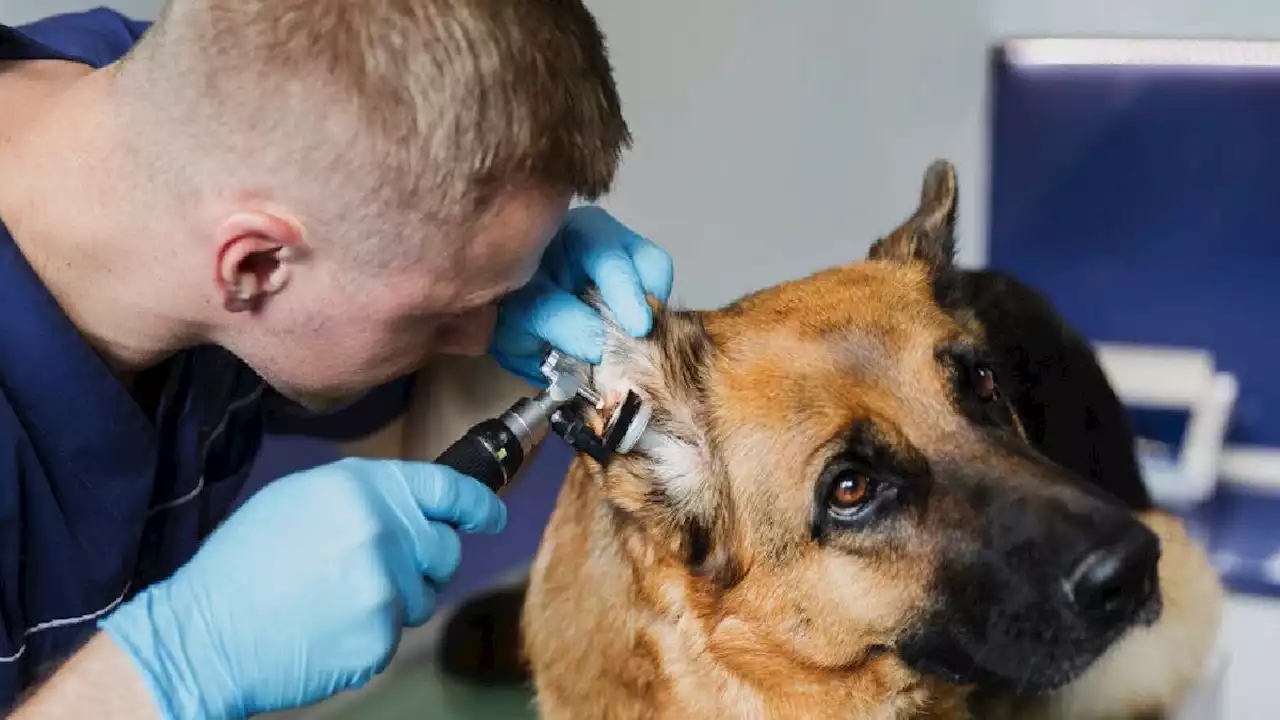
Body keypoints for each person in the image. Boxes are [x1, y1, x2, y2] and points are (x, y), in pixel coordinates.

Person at [0, 1, 673, 717]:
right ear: (256, 263)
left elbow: (419, 449)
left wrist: (515, 314)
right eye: (445, 313)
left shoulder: (212, 124)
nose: (478, 335)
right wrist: (173, 670)